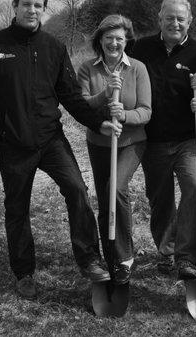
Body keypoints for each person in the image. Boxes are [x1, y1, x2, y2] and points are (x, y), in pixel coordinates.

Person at [0, 0, 122, 299]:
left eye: (38, 5)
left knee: (78, 191)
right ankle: (24, 272)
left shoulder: (53, 47)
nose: (32, 10)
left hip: (51, 139)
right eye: (26, 4)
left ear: (43, 9)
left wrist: (98, 122)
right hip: (11, 143)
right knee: (17, 207)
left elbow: (69, 95)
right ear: (15, 6)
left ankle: (89, 258)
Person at [130, 0, 196, 279]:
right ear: (159, 20)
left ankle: (186, 256)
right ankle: (166, 251)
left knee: (194, 190)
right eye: (169, 18)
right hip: (153, 140)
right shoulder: (141, 49)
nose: (175, 23)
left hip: (189, 140)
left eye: (181, 19)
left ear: (190, 22)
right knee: (160, 199)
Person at [77, 15, 151, 284]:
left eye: (120, 38)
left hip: (131, 142)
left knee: (115, 189)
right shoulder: (87, 69)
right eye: (109, 38)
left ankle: (125, 256)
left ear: (126, 41)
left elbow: (146, 111)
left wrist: (126, 115)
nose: (114, 43)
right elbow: (83, 106)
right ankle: (109, 254)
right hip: (98, 142)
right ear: (100, 40)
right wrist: (106, 93)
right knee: (105, 198)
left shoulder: (138, 69)